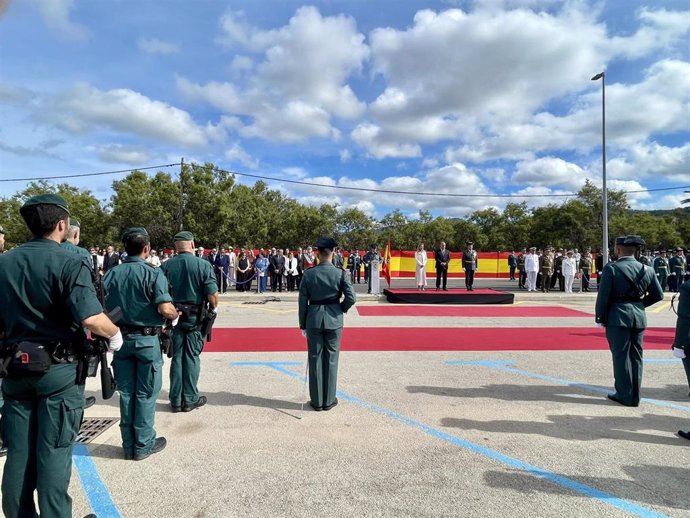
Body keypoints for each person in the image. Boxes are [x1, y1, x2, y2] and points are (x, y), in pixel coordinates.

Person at [0, 194, 121, 518]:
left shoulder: (5, 262)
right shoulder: (70, 260)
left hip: (14, 369)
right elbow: (91, 317)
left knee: (19, 456)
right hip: (58, 373)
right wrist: (115, 335)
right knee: (53, 453)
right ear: (62, 224)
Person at [104, 228, 178, 461]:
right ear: (146, 248)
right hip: (146, 341)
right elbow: (165, 308)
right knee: (146, 393)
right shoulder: (152, 274)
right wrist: (174, 315)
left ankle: (128, 444)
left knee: (126, 393)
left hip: (120, 339)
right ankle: (143, 444)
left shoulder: (111, 274)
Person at [595, 235, 664, 407]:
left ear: (618, 250)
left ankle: (624, 394)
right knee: (636, 356)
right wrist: (639, 304)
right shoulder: (647, 269)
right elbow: (659, 295)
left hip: (617, 316)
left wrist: (600, 317)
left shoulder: (612, 269)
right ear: (635, 251)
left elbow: (603, 297)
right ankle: (635, 394)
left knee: (621, 356)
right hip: (638, 317)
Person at [161, 231, 219, 413]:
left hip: (174, 317)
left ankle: (176, 399)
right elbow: (213, 295)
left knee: (177, 357)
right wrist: (213, 310)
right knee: (192, 357)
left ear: (175, 247)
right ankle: (190, 398)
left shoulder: (166, 266)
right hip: (195, 319)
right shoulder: (203, 265)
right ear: (192, 244)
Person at [298, 237, 356, 411]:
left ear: (318, 253)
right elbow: (351, 298)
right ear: (333, 252)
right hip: (334, 318)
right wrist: (340, 309)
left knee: (315, 358)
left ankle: (317, 402)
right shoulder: (341, 273)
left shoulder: (309, 273)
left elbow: (302, 302)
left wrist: (303, 324)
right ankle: (329, 400)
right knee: (331, 359)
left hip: (314, 319)